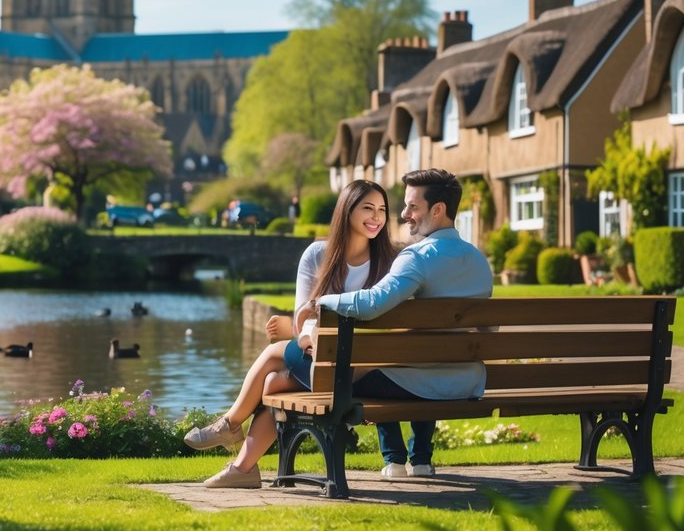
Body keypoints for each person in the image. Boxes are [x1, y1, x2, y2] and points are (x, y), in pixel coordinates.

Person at [183, 179, 399, 488]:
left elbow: (303, 321)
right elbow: (304, 319)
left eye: (381, 210)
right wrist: (306, 334)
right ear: (346, 211)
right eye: (368, 208)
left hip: (364, 371)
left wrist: (302, 331)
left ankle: (230, 424)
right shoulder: (316, 255)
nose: (376, 217)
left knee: (274, 354)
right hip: (323, 363)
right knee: (273, 383)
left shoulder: (391, 263)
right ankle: (243, 469)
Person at [289, 168, 493, 479]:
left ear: (438, 210)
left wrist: (319, 304)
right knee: (397, 356)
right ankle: (419, 460)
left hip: (416, 380)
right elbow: (489, 331)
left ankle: (395, 460)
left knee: (301, 357)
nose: (404, 214)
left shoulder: (417, 258)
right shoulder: (478, 260)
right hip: (466, 381)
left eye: (413, 206)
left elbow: (370, 305)